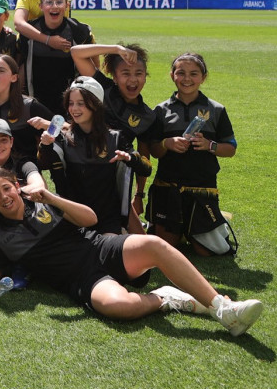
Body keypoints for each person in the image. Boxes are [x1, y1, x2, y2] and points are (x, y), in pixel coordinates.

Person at [0, 166, 263, 336]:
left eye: (7, 188)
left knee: (153, 244)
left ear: (17, 186)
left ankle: (224, 308)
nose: (4, 197)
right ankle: (166, 298)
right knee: (119, 307)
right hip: (82, 280)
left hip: (100, 247)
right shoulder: (0, 239)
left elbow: (90, 219)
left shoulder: (43, 204)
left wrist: (51, 197)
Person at [147, 53, 239, 256]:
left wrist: (209, 145)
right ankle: (180, 230)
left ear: (203, 77)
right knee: (165, 248)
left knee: (205, 252)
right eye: (181, 73)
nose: (187, 78)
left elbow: (231, 148)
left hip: (201, 188)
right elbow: (154, 150)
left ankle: (211, 225)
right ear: (172, 75)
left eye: (194, 73)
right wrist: (167, 143)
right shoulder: (161, 110)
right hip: (168, 188)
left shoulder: (216, 109)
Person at [39, 77, 149, 235]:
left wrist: (131, 159)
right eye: (71, 103)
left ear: (96, 105)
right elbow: (43, 164)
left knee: (108, 254)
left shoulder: (115, 138)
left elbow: (147, 169)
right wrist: (45, 146)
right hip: (73, 219)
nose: (74, 108)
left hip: (107, 220)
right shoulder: (63, 138)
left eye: (81, 103)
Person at [72, 42, 158, 226]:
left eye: (138, 74)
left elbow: (143, 158)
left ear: (146, 76)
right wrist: (116, 49)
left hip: (115, 174)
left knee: (120, 229)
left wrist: (139, 195)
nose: (133, 80)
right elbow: (76, 53)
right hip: (83, 165)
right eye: (125, 74)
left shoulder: (148, 116)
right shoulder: (103, 88)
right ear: (115, 77)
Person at [15, 0, 93, 115]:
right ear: (41, 6)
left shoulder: (79, 31)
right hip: (35, 102)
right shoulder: (28, 33)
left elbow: (92, 64)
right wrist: (18, 96)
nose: (54, 6)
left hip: (70, 105)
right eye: (49, 2)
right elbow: (20, 65)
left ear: (67, 5)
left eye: (59, 2)